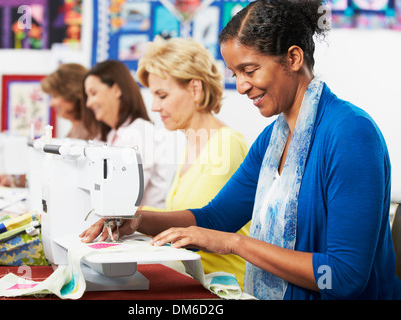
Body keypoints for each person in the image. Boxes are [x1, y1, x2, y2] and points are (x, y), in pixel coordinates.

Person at [80, 0, 401, 300]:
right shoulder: (272, 141)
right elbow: (216, 217)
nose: (242, 85)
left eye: (250, 70)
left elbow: (344, 276)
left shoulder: (350, 135)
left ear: (293, 58)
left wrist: (236, 244)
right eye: (236, 74)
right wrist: (136, 219)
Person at [135, 36, 250, 287]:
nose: (154, 106)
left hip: (223, 285)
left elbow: (204, 222)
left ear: (195, 89)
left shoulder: (226, 145)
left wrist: (134, 217)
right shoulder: (193, 144)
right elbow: (175, 215)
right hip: (192, 278)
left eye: (162, 95)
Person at [0, 63, 99, 195]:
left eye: (55, 96)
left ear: (71, 93)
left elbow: (59, 176)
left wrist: (13, 180)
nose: (51, 103)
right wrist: (11, 180)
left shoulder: (90, 133)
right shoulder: (76, 130)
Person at [82, 60, 172, 208]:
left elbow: (124, 193)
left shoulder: (141, 133)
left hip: (146, 229)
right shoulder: (109, 135)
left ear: (117, 90)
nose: (88, 103)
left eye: (93, 93)